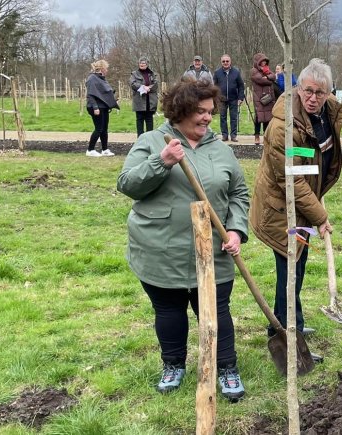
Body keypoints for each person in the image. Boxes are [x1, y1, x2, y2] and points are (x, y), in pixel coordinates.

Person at [117, 79, 249, 402]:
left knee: (216, 311)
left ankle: (226, 367)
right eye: (200, 112)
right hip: (162, 251)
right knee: (170, 312)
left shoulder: (220, 149)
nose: (207, 118)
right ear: (181, 111)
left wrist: (235, 230)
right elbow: (127, 183)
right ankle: (173, 363)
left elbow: (239, 194)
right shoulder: (152, 141)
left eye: (209, 112)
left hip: (213, 252)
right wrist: (161, 161)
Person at [250, 58, 342, 363]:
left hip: (304, 205)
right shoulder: (283, 127)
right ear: (297, 87)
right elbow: (293, 180)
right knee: (290, 270)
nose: (313, 97)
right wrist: (320, 216)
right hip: (282, 208)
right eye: (308, 91)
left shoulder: (327, 112)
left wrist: (317, 201)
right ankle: (290, 333)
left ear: (330, 92)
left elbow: (317, 160)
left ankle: (286, 322)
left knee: (297, 266)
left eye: (320, 92)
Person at [85, 59, 119, 157]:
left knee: (104, 129)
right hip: (95, 107)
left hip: (103, 107)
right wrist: (95, 107)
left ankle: (105, 149)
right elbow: (91, 95)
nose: (107, 70)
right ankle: (90, 150)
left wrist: (112, 100)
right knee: (98, 129)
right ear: (102, 68)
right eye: (106, 68)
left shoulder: (101, 78)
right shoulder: (92, 78)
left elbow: (103, 93)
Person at [213, 54, 246, 142]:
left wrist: (240, 97)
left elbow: (241, 86)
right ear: (221, 62)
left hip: (234, 98)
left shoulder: (236, 72)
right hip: (221, 99)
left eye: (227, 61)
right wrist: (215, 98)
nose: (225, 63)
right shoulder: (217, 73)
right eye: (223, 61)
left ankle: (233, 135)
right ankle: (224, 135)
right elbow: (214, 86)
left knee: (233, 118)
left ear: (230, 62)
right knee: (222, 117)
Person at [250, 53, 277, 146]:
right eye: (262, 61)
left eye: (265, 61)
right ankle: (257, 136)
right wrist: (267, 78)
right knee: (258, 117)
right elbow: (260, 80)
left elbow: (274, 77)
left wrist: (267, 76)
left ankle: (266, 136)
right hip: (259, 98)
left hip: (268, 98)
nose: (264, 62)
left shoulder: (267, 70)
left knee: (267, 118)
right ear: (258, 62)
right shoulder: (254, 71)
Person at [129, 57, 159, 137]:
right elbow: (133, 84)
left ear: (147, 64)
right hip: (139, 102)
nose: (142, 64)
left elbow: (156, 84)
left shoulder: (152, 74)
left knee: (149, 121)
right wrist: (142, 87)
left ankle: (150, 140)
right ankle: (140, 140)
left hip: (150, 102)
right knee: (139, 121)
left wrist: (149, 88)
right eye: (140, 63)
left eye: (144, 63)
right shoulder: (134, 74)